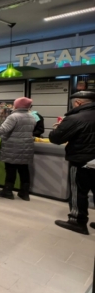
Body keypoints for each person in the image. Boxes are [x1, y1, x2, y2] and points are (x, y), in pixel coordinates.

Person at [49, 91, 95, 235]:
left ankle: (77, 221)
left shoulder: (74, 118)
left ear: (78, 103)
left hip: (81, 161)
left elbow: (56, 139)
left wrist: (58, 128)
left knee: (78, 192)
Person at [0, 97, 36, 200]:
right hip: (26, 147)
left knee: (11, 169)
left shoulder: (13, 117)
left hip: (13, 147)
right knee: (24, 169)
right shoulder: (32, 117)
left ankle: (7, 191)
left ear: (17, 105)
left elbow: (3, 130)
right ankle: (24, 193)